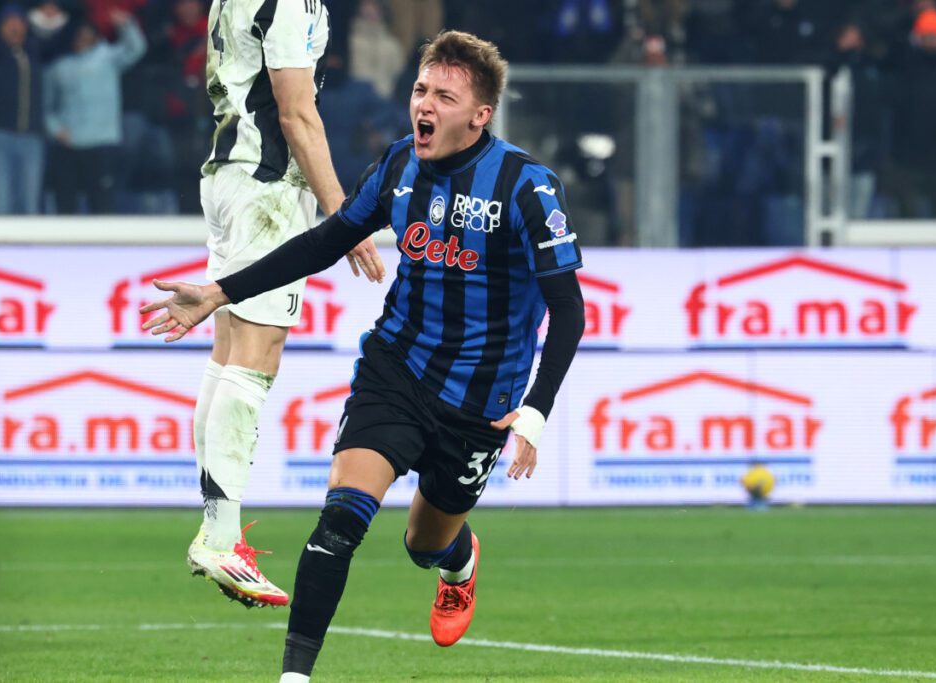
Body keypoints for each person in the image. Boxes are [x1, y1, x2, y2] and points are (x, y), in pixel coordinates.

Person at [140, 30, 586, 681]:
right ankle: (295, 677)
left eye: (444, 96)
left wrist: (535, 413)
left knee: (422, 543)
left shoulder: (527, 187)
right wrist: (216, 291)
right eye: (420, 90)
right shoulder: (401, 164)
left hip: (481, 401)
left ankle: (458, 561)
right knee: (339, 522)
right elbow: (327, 240)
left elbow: (568, 311)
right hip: (395, 372)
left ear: (480, 115)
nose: (423, 105)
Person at [178, 0, 384, 610]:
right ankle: (219, 538)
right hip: (266, 184)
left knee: (227, 352)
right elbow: (296, 112)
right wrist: (344, 216)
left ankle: (216, 530)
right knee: (256, 356)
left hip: (228, 172)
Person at [43, 11, 147, 213]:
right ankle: (64, 245)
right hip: (69, 144)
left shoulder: (107, 57)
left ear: (95, 36)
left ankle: (105, 245)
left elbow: (137, 48)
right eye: (79, 35)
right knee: (65, 203)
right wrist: (56, 130)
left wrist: (126, 25)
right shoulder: (59, 67)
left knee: (102, 203)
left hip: (102, 142)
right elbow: (46, 107)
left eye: (87, 34)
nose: (83, 39)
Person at [0, 5, 46, 215]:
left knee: (30, 204)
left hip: (31, 139)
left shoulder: (35, 57)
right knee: (1, 203)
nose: (15, 28)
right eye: (9, 24)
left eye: (19, 23)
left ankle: (31, 248)